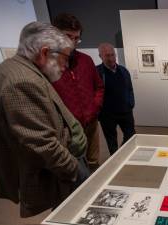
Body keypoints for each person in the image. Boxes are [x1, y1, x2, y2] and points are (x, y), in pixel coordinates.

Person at [0, 22, 89, 217]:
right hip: (62, 168)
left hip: (63, 161)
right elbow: (42, 143)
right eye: (65, 58)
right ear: (45, 52)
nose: (66, 65)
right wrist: (75, 171)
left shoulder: (17, 69)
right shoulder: (22, 81)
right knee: (72, 211)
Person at [52, 13, 104, 171]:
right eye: (68, 36)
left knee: (93, 161)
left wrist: (94, 108)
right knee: (73, 166)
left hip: (91, 123)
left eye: (76, 38)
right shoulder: (48, 64)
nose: (73, 42)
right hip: (67, 130)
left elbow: (99, 87)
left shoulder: (85, 60)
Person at [96, 43, 135, 155]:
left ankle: (122, 153)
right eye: (107, 55)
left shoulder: (123, 71)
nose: (111, 58)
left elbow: (130, 89)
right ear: (100, 56)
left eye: (112, 55)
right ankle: (116, 159)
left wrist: (131, 103)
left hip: (125, 111)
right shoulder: (97, 72)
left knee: (131, 135)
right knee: (111, 141)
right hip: (107, 115)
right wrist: (99, 112)